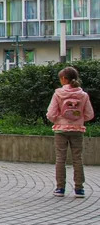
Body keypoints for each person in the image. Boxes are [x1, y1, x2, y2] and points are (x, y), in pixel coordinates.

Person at [47, 66, 94, 197]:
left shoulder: (58, 94)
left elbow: (51, 114)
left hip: (60, 130)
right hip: (77, 130)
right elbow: (89, 114)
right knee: (77, 159)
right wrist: (79, 119)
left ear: (63, 78)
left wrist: (58, 119)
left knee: (60, 159)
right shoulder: (83, 95)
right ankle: (79, 189)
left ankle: (60, 188)